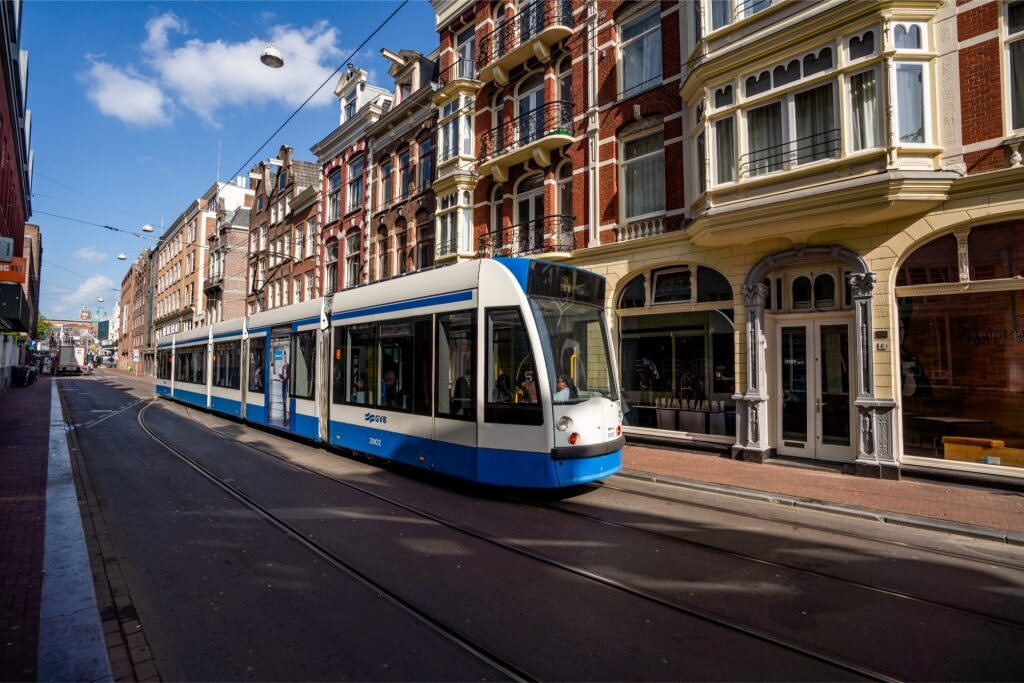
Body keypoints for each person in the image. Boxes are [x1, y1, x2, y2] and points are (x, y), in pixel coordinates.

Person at [279, 351, 290, 425]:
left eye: (286, 357)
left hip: (287, 386)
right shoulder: (283, 367)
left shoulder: (289, 366)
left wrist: (286, 377)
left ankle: (286, 419)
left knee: (287, 403)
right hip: (284, 386)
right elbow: (283, 376)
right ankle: (284, 419)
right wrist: (281, 376)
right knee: (284, 403)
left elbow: (290, 376)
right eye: (284, 357)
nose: (285, 358)